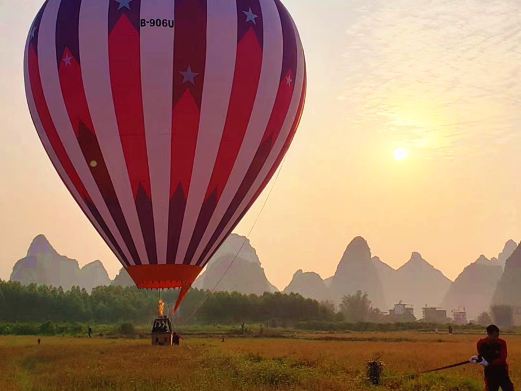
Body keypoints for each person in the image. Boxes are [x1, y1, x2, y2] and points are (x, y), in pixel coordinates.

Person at [470, 325, 514, 391]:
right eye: (494, 336)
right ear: (488, 334)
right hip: (490, 372)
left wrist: (489, 363)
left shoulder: (502, 343)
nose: (496, 338)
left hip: (502, 370)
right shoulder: (481, 343)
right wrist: (477, 359)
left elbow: (502, 358)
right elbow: (482, 356)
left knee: (509, 388)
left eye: (497, 336)